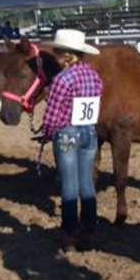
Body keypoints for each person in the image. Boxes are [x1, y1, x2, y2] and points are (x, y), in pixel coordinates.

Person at [37, 29, 103, 251]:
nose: (55, 57)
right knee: (87, 184)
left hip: (67, 134)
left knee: (69, 186)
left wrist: (46, 133)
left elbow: (53, 116)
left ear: (67, 56)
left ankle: (69, 233)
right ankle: (89, 232)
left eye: (57, 53)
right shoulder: (94, 76)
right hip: (89, 133)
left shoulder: (62, 80)